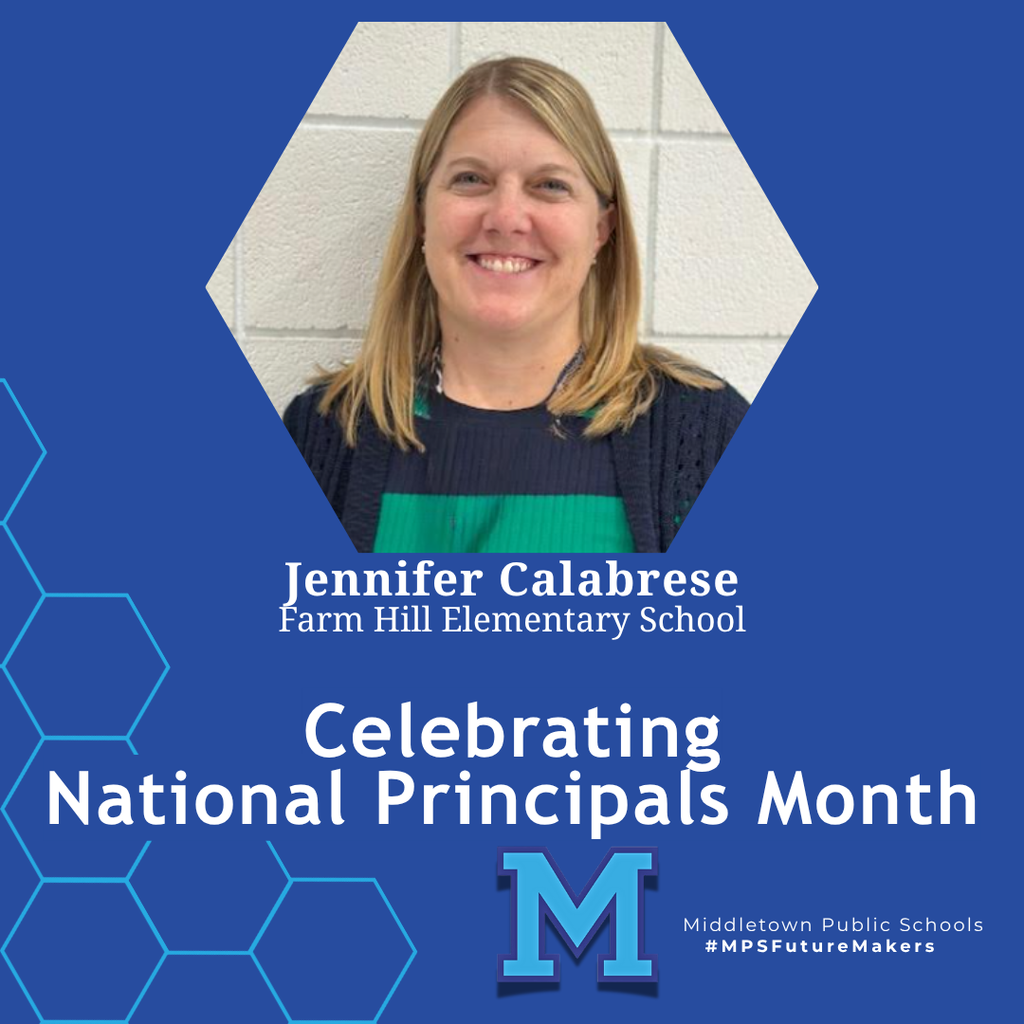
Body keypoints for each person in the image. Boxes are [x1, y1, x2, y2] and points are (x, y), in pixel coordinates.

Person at [284, 56, 748, 554]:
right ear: (422, 217)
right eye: (470, 179)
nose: (506, 217)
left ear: (600, 231)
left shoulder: (704, 437)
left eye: (550, 185)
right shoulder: (323, 433)